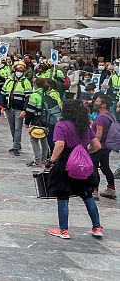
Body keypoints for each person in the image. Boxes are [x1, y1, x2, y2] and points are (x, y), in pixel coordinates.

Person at [44, 99, 103, 240]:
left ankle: (64, 230)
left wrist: (51, 161)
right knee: (87, 195)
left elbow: (60, 145)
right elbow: (97, 146)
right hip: (83, 165)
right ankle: (97, 227)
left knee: (63, 196)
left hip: (65, 164)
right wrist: (85, 153)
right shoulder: (85, 126)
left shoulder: (61, 125)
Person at [24, 78, 60, 167]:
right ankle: (44, 159)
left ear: (35, 85)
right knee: (44, 139)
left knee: (34, 139)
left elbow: (30, 110)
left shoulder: (35, 95)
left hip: (36, 120)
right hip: (46, 120)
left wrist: (27, 122)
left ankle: (37, 160)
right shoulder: (46, 94)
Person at [91, 94, 116, 200]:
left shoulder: (101, 118)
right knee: (105, 167)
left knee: (94, 168)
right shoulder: (111, 115)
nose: (94, 103)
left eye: (97, 102)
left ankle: (94, 191)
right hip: (107, 146)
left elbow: (98, 135)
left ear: (103, 105)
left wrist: (93, 146)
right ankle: (111, 189)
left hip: (99, 146)